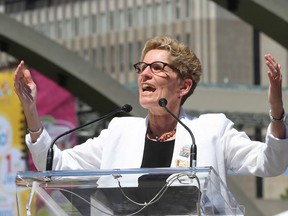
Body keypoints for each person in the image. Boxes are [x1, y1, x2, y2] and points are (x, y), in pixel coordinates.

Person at [14, 35, 288, 186]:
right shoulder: (120, 131)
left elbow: (270, 163)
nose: (144, 74)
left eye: (157, 68)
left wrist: (276, 112)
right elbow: (54, 167)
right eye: (142, 67)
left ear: (183, 85)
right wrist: (31, 111)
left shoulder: (210, 131)